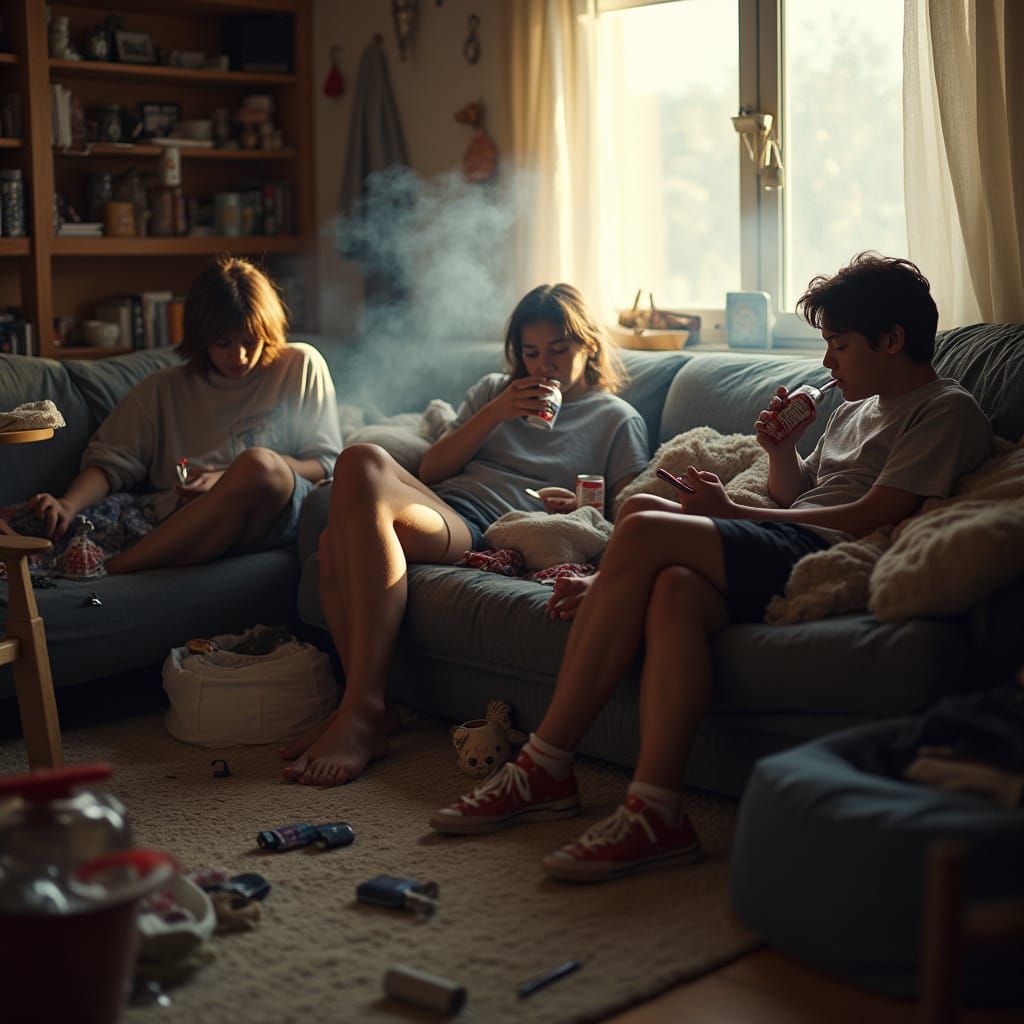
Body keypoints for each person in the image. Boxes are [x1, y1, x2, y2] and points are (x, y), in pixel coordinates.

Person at [429, 253, 994, 882]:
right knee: (671, 586)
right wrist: (780, 452)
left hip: (825, 554)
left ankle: (542, 768)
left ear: (892, 340)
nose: (827, 362)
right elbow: (792, 494)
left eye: (838, 344)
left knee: (641, 523)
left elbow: (871, 516)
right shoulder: (856, 408)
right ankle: (657, 813)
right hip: (791, 538)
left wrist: (731, 514)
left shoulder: (943, 409)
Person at [281, 282, 650, 786]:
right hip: (447, 505)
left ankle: (361, 709)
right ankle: (372, 709)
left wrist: (584, 506)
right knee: (356, 467)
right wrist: (497, 410)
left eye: (559, 351)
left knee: (339, 529)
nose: (545, 366)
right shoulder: (495, 390)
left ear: (589, 344)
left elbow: (627, 510)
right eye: (532, 353)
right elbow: (433, 467)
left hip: (488, 529)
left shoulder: (616, 419)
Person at [28, 257, 341, 573]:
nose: (240, 356)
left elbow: (324, 463)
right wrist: (68, 504)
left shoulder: (299, 365)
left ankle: (119, 567)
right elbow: (111, 463)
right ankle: (122, 568)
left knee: (258, 465)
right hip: (189, 520)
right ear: (201, 338)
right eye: (223, 343)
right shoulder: (163, 389)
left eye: (250, 340)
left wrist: (227, 478)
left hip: (272, 512)